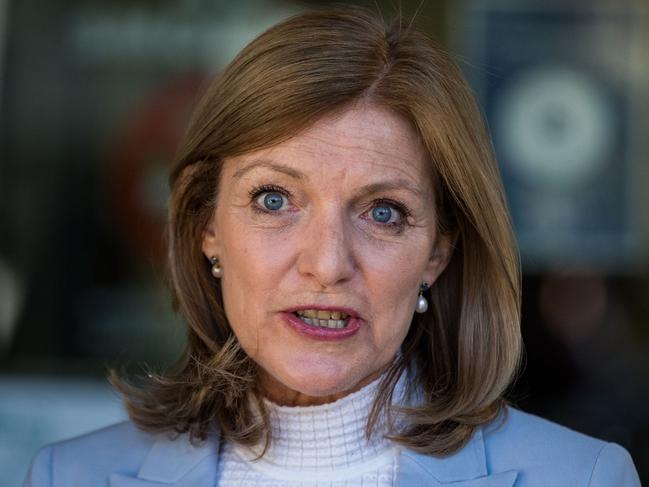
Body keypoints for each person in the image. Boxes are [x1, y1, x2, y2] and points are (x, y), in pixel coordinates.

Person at [24, 7, 640, 487]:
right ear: (206, 223)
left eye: (383, 212)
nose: (326, 264)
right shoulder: (66, 476)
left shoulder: (581, 478)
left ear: (438, 253)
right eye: (273, 200)